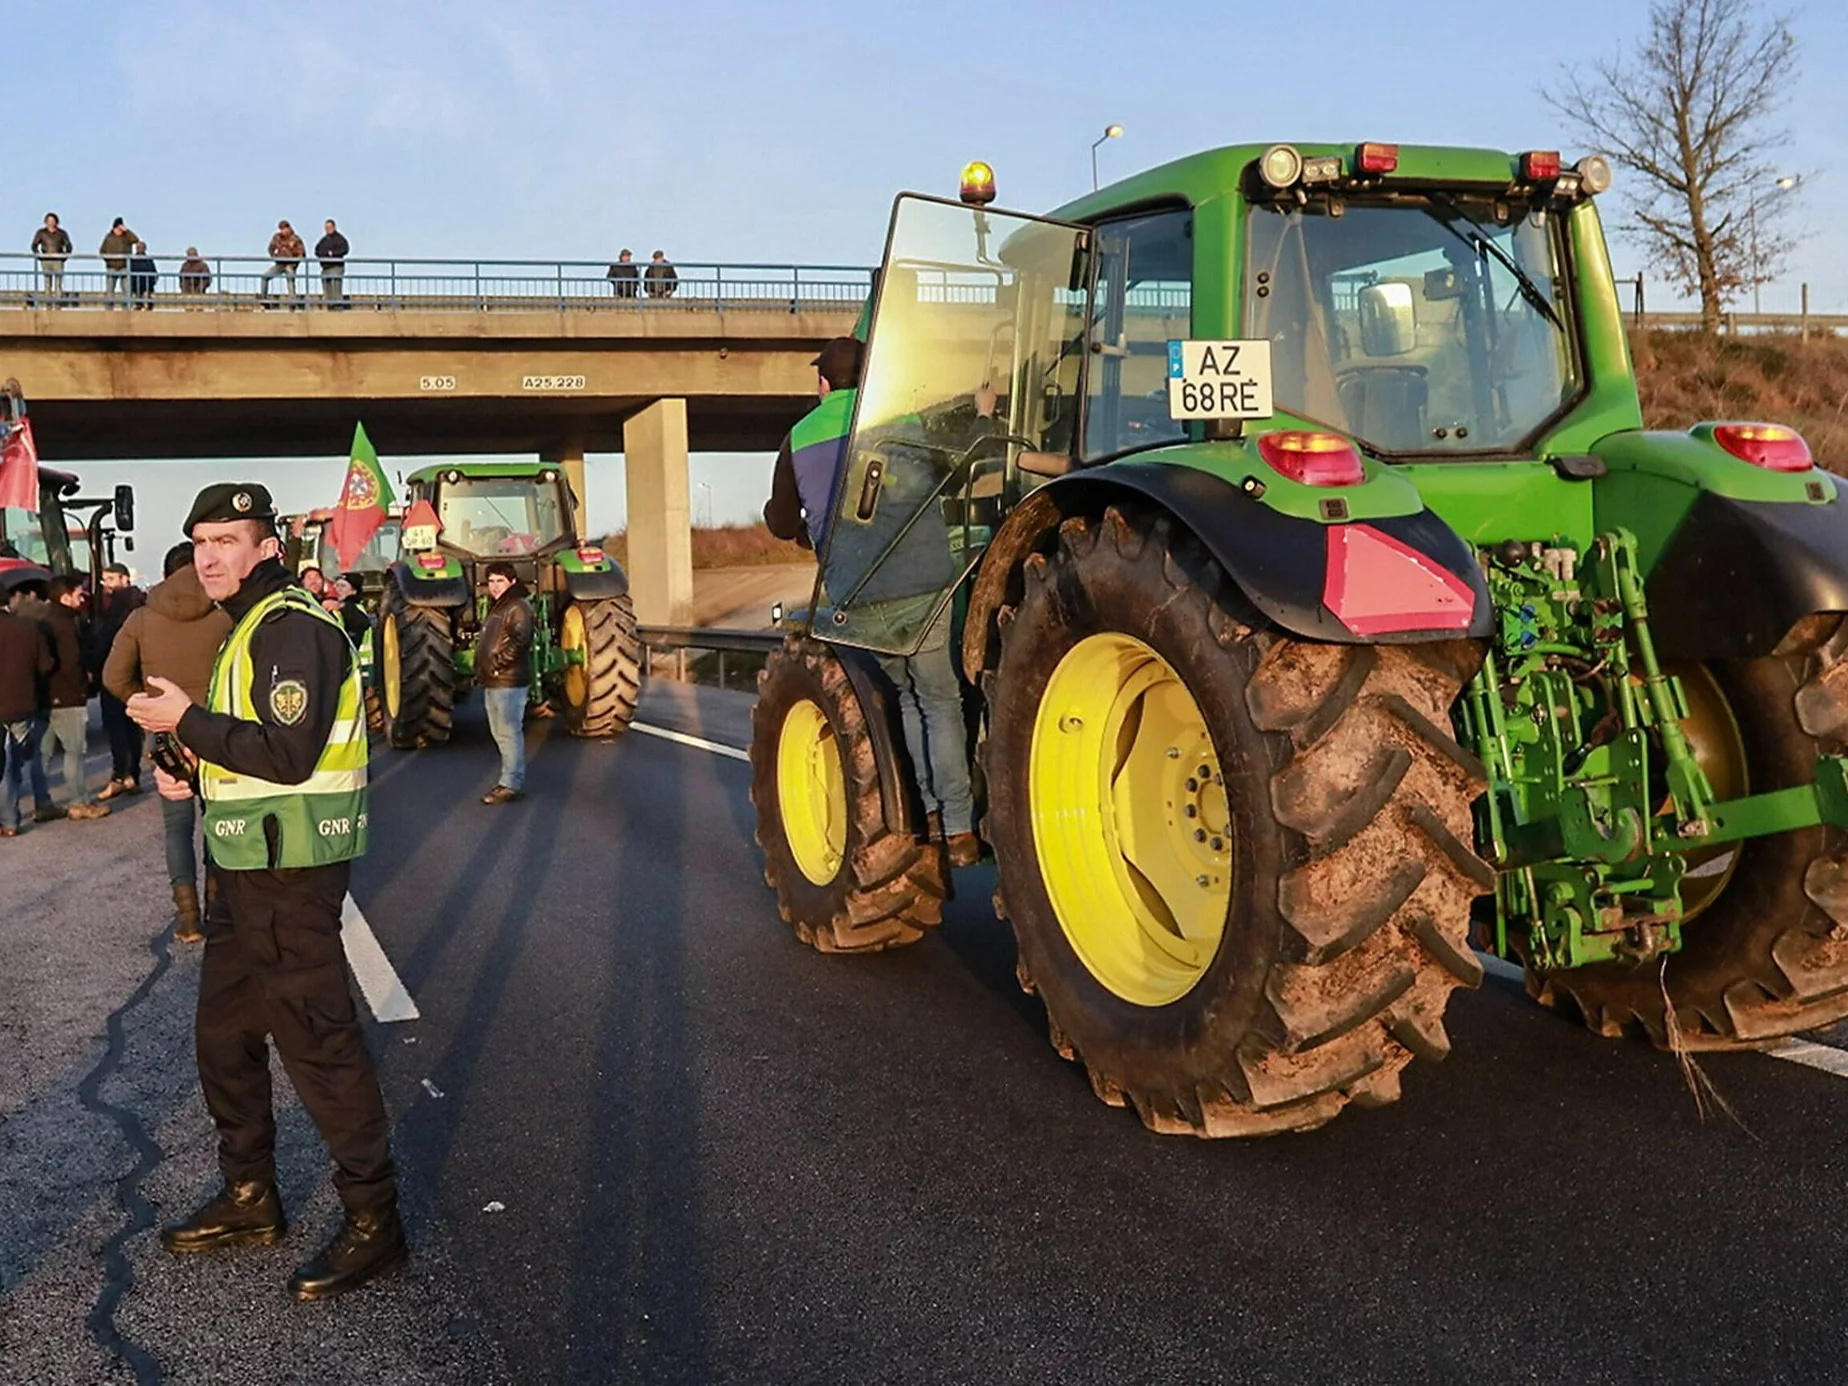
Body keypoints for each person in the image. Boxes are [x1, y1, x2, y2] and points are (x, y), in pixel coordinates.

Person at [127, 483, 405, 1299]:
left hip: (290, 873)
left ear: (266, 547)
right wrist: (194, 772)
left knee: (317, 1044)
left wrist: (186, 723)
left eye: (227, 540)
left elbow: (288, 753)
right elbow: (248, 750)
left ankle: (373, 1219)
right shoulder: (247, 625)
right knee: (224, 1040)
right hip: (244, 865)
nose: (209, 556)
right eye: (200, 541)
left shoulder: (292, 627)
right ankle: (251, 1196)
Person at [763, 337, 982, 867]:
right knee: (940, 700)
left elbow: (783, 521)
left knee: (906, 696)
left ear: (822, 384)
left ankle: (929, 814)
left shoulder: (798, 438)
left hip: (857, 594)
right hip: (925, 582)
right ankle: (958, 829)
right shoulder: (903, 420)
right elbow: (953, 475)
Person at [103, 542, 233, 943]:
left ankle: (189, 919)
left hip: (168, 741)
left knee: (177, 829)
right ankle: (219, 909)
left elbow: (113, 677)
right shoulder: (225, 614)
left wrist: (142, 706)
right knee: (219, 823)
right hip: (219, 735)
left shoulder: (141, 618)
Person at [40, 577, 110, 822]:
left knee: (42, 754)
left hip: (46, 697)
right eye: (79, 593)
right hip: (68, 696)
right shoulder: (66, 624)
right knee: (74, 752)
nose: (83, 598)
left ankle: (42, 802)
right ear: (65, 597)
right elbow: (72, 663)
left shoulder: (44, 621)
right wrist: (85, 683)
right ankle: (79, 802)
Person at [0, 581, 55, 838]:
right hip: (21, 703)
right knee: (14, 762)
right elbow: (45, 666)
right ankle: (12, 819)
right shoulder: (27, 627)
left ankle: (8, 818)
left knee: (4, 763)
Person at [476, 561, 533, 805]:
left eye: (500, 581)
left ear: (511, 581)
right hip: (494, 679)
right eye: (491, 581)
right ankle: (508, 778)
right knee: (500, 732)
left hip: (508, 680)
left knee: (509, 732)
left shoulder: (517, 607)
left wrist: (498, 663)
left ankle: (510, 783)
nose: (494, 586)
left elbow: (520, 641)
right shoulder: (498, 607)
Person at [91, 562, 147, 799]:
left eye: (112, 579)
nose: (107, 585)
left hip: (114, 675)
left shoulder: (114, 608)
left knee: (117, 728)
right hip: (137, 675)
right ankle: (132, 773)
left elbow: (104, 642)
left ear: (125, 579)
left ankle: (120, 774)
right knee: (133, 727)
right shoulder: (141, 604)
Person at [31, 213, 72, 308]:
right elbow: (34, 245)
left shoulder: (62, 233)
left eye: (53, 221)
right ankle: (48, 304)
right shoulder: (41, 233)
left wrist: (64, 257)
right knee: (47, 282)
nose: (51, 223)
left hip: (58, 260)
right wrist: (40, 256)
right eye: (49, 221)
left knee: (58, 283)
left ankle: (57, 304)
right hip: (46, 260)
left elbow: (68, 246)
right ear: (46, 222)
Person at [261, 221, 306, 308]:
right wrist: (275, 257)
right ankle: (264, 301)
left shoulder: (295, 238)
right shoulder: (277, 237)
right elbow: (270, 248)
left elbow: (302, 253)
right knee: (264, 277)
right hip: (280, 264)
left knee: (290, 277)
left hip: (290, 264)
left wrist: (295, 261)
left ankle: (293, 302)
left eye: (284, 228)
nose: (283, 231)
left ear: (289, 228)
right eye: (281, 229)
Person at [100, 218, 136, 308]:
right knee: (110, 289)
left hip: (124, 266)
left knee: (126, 290)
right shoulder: (108, 237)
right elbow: (102, 251)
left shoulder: (126, 237)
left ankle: (126, 307)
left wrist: (127, 231)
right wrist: (109, 260)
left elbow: (135, 239)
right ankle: (109, 307)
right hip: (112, 267)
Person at [315, 219, 349, 309]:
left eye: (329, 227)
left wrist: (333, 253)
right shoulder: (323, 240)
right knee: (327, 287)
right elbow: (317, 250)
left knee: (336, 286)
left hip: (336, 266)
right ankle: (329, 305)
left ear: (334, 227)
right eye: (326, 227)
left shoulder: (340, 238)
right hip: (325, 268)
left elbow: (345, 249)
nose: (327, 229)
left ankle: (337, 306)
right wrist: (324, 254)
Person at [129, 241, 159, 310]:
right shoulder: (132, 260)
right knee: (136, 293)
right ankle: (138, 305)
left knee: (147, 294)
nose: (140, 249)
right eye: (138, 247)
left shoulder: (149, 260)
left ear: (145, 249)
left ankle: (148, 307)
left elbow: (154, 272)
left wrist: (153, 282)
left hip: (147, 283)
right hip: (135, 283)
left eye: (141, 247)